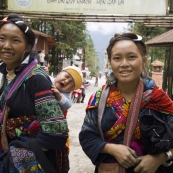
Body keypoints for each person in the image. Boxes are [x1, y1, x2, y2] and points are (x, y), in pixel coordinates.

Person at [79, 32, 173, 173]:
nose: (124, 64)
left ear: (144, 60)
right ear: (110, 62)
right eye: (117, 58)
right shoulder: (99, 99)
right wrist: (111, 149)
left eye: (132, 57)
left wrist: (159, 158)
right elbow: (87, 137)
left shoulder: (159, 99)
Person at [0, 13, 69, 172]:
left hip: (27, 162)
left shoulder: (36, 78)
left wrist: (25, 151)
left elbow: (56, 129)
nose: (7, 45)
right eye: (2, 38)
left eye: (15, 40)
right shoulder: (6, 74)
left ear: (27, 46)